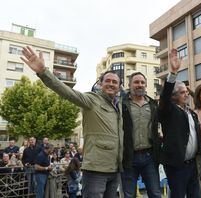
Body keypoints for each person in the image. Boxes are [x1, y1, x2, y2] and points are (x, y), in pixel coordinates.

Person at [21, 46, 124, 198]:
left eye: (115, 82)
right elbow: (67, 92)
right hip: (96, 169)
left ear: (119, 86)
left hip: (115, 169)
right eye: (107, 80)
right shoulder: (91, 99)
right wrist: (43, 72)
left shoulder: (119, 107)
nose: (111, 84)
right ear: (100, 84)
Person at [158, 49, 201, 198]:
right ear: (174, 96)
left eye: (186, 92)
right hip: (177, 166)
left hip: (193, 165)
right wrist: (173, 73)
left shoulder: (191, 112)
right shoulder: (169, 110)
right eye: (183, 92)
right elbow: (165, 96)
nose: (187, 94)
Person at [121, 72, 161, 198]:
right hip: (128, 157)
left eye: (142, 82)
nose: (140, 85)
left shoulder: (153, 104)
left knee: (155, 193)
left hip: (149, 156)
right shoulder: (121, 104)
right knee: (129, 195)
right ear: (129, 85)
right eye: (136, 82)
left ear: (146, 85)